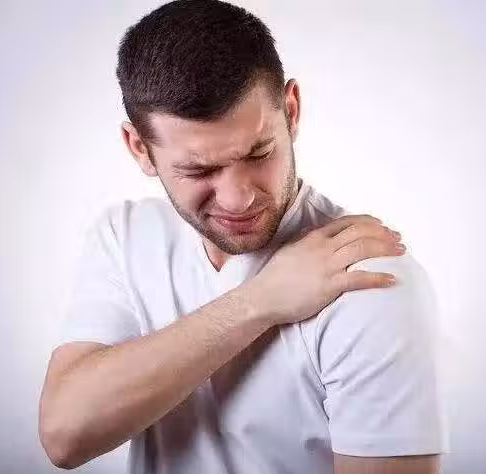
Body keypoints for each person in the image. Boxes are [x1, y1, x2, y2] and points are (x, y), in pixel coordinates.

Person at [38, 1, 449, 472]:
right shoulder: (126, 236)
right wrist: (261, 301)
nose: (238, 199)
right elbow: (64, 436)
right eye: (199, 170)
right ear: (141, 150)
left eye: (259, 153)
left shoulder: (366, 281)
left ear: (291, 111)